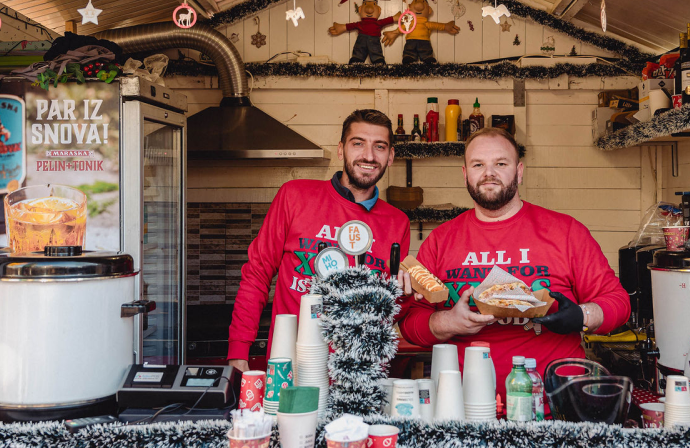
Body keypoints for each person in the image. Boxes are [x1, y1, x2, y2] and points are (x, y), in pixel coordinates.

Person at [399, 126, 629, 401]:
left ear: (519, 171)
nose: (489, 173)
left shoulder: (566, 232)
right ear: (465, 174)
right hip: (464, 408)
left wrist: (581, 316)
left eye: (500, 163)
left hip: (554, 406)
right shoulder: (441, 240)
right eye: (478, 164)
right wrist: (450, 321)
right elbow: (411, 324)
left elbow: (618, 303)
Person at [228, 109, 411, 372]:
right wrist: (238, 348)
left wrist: (403, 296)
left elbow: (391, 307)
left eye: (379, 146)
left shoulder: (397, 222)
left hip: (357, 375)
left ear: (390, 156)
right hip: (291, 364)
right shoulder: (295, 196)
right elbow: (257, 272)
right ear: (341, 150)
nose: (369, 156)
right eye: (358, 143)